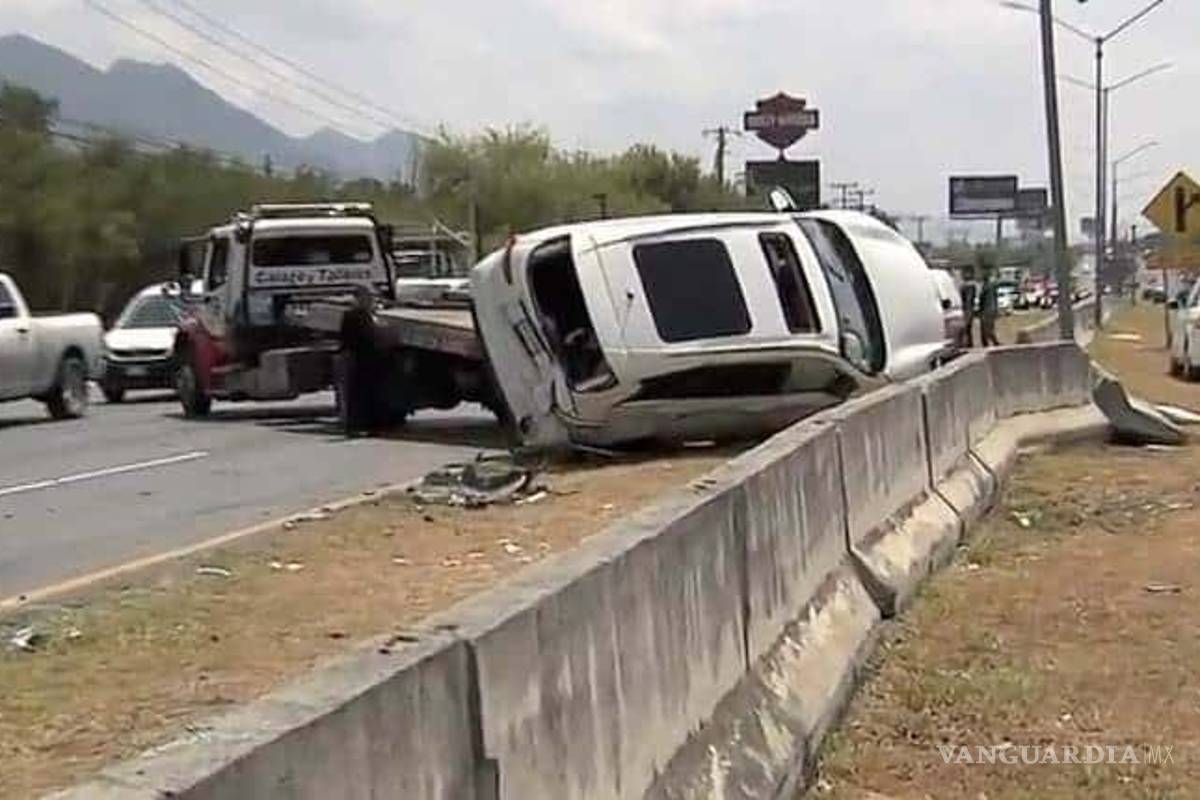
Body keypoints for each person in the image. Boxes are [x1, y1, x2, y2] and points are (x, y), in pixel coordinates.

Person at [979, 271, 1000, 347]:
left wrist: (980, 310)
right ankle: (994, 342)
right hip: (992, 308)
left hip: (987, 309)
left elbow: (982, 300)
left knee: (986, 327)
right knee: (990, 327)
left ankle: (991, 342)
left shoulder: (986, 287)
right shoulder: (992, 286)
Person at [959, 268, 977, 348]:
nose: (962, 275)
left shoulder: (968, 286)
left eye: (964, 273)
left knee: (966, 328)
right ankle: (969, 344)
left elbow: (968, 300)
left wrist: (966, 312)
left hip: (967, 309)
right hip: (969, 309)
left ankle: (968, 345)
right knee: (968, 329)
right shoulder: (969, 285)